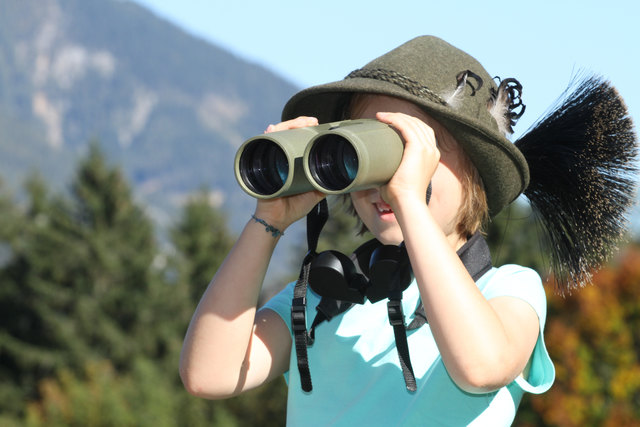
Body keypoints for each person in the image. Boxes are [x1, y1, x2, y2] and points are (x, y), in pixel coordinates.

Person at [179, 36, 636, 425]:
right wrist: (269, 221)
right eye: (368, 153)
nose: (388, 181)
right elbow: (209, 373)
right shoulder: (325, 296)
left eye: (407, 153)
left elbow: (480, 366)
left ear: (473, 172)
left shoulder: (509, 290)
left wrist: (410, 202)